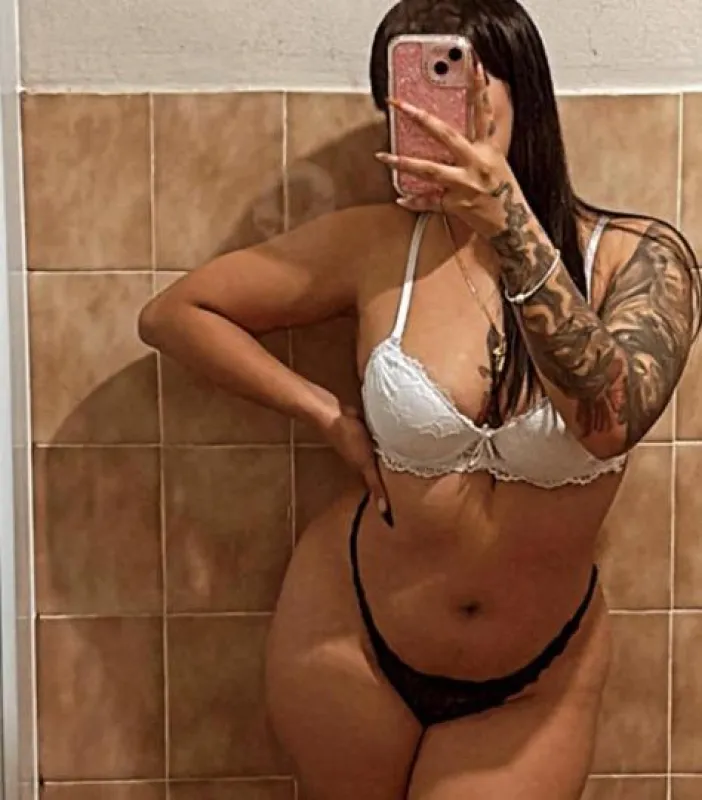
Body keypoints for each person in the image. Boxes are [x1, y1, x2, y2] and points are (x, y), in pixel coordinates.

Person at [138, 1, 700, 797]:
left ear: (523, 91)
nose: (430, 121)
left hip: (536, 677)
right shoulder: (376, 246)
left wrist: (509, 224)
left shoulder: (639, 257)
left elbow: (609, 422)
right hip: (350, 632)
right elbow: (174, 314)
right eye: (404, 101)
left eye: (458, 88)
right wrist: (324, 413)